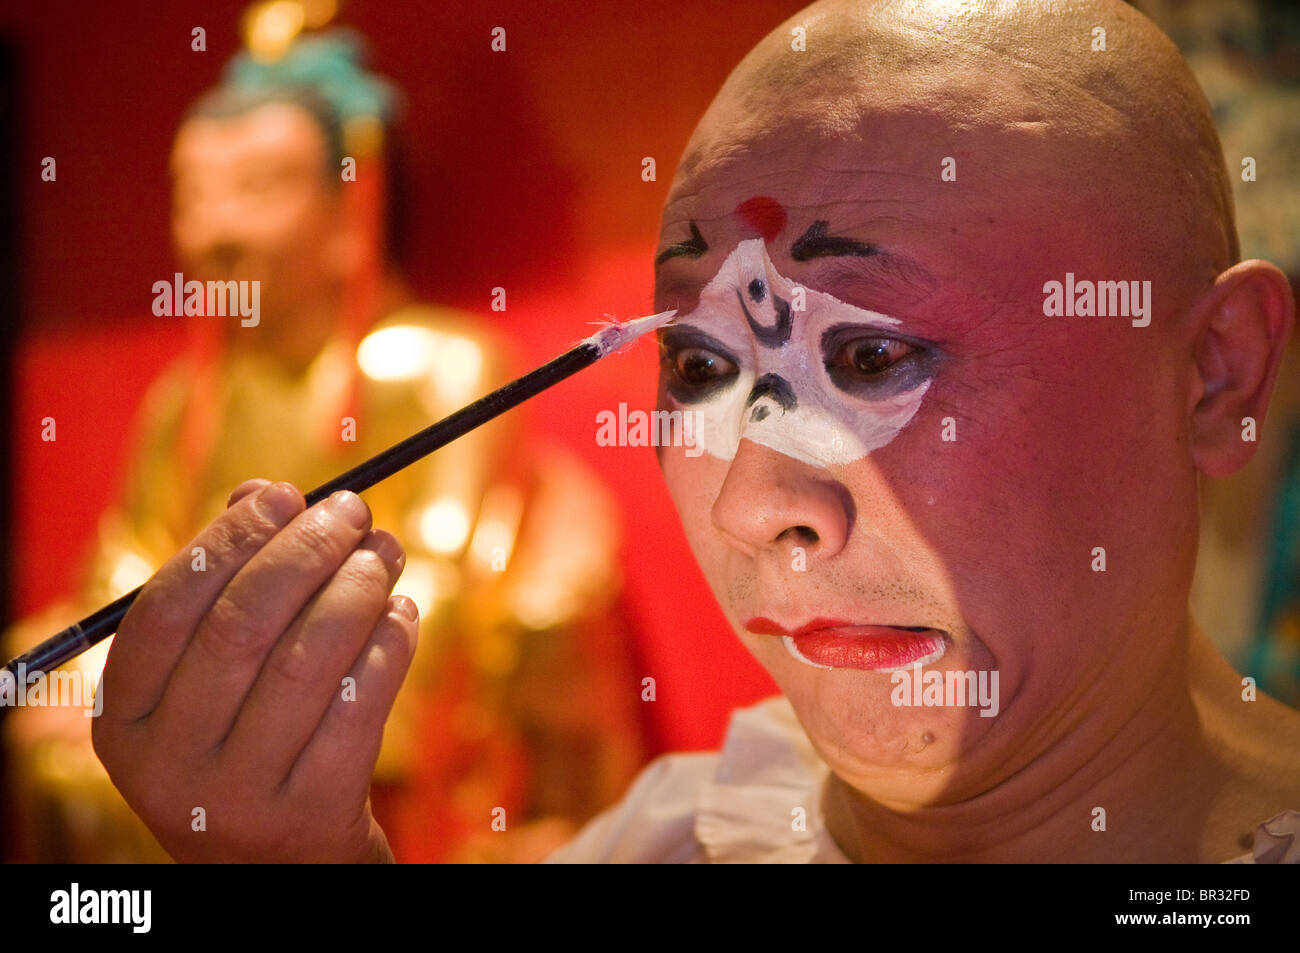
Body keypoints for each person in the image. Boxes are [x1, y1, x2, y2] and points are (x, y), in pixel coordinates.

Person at [91, 0, 1300, 863]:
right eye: (703, 364)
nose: (746, 501)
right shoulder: (677, 838)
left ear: (1212, 372)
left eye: (872, 354)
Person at [7, 12, 644, 863]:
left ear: (350, 212)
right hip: (208, 683)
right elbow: (129, 564)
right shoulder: (185, 401)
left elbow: (444, 566)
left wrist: (283, 674)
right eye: (193, 196)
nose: (215, 232)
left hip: (354, 684)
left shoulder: (434, 364)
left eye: (259, 189)